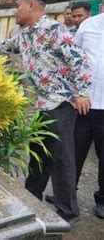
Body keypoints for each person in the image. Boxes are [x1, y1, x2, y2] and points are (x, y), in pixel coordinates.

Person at [0, 0, 91, 224]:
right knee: (39, 154)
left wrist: (82, 93)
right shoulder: (25, 34)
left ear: (30, 6)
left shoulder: (54, 29)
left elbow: (79, 59)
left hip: (61, 102)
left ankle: (68, 212)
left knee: (62, 158)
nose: (15, 10)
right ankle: (31, 197)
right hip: (43, 103)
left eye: (17, 5)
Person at [73, 13, 104, 219]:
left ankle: (102, 200)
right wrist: (75, 93)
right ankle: (66, 194)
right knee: (73, 152)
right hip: (83, 103)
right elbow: (72, 59)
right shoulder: (88, 25)